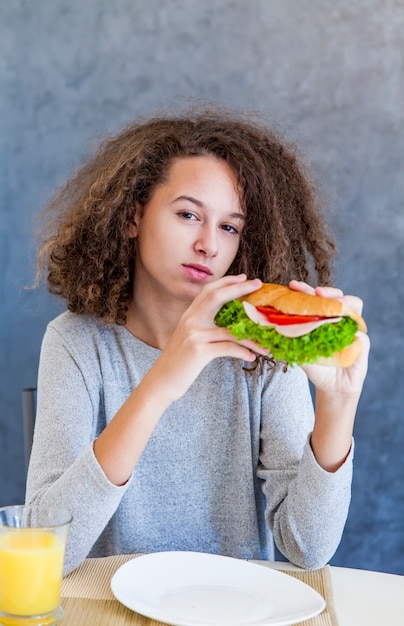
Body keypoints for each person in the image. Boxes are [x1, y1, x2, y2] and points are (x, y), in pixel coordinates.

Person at [26, 104, 370, 575]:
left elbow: (308, 549)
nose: (209, 244)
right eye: (189, 215)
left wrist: (338, 404)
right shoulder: (75, 343)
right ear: (132, 217)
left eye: (229, 227)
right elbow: (47, 551)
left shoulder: (265, 350)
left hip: (237, 612)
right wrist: (162, 380)